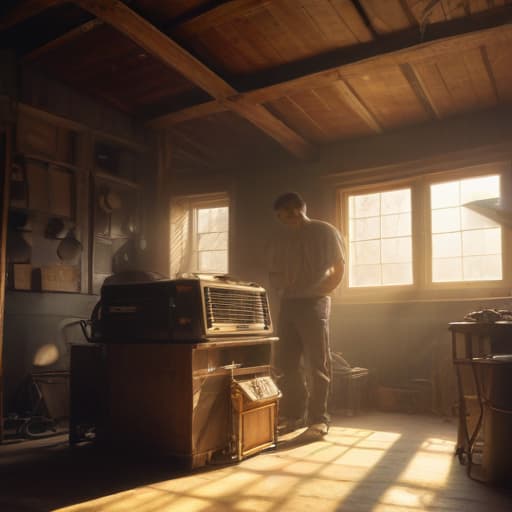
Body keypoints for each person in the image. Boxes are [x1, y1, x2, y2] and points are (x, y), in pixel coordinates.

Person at [268, 192, 345, 437]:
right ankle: (294, 415)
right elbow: (275, 270)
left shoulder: (325, 231)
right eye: (283, 214)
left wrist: (322, 291)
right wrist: (281, 288)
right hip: (288, 304)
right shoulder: (281, 238)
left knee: (317, 363)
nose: (289, 217)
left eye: (292, 210)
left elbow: (338, 266)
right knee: (286, 363)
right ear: (279, 217)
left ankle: (318, 419)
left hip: (315, 302)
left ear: (302, 208)